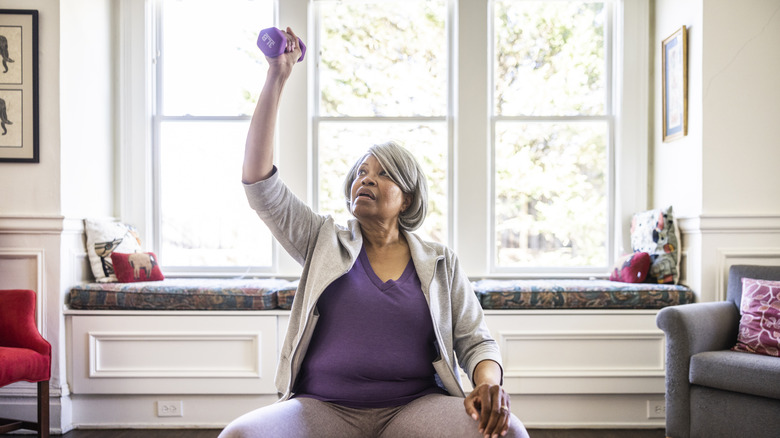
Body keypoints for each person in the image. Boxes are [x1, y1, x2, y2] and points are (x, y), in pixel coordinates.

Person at [219, 27, 530, 438]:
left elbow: (476, 341)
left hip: (416, 407)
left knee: (509, 433)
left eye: (383, 174)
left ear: (407, 198)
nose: (367, 179)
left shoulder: (439, 261)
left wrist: (488, 384)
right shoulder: (321, 239)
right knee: (239, 436)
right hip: (322, 407)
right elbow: (259, 184)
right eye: (362, 172)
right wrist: (277, 76)